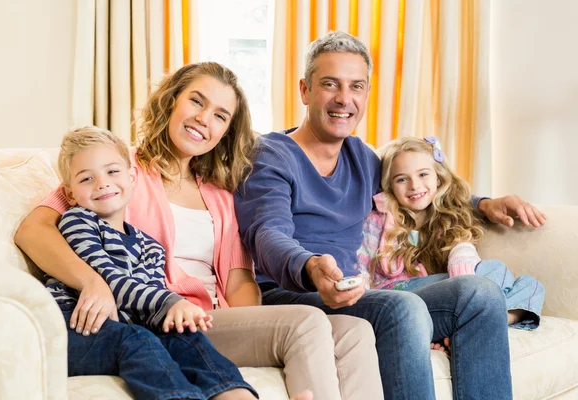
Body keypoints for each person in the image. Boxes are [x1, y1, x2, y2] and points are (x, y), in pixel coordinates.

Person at [15, 62, 378, 400]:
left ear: (226, 131)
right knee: (306, 321)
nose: (204, 119)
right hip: (165, 318)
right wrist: (92, 282)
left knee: (354, 331)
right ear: (172, 101)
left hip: (214, 320)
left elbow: (239, 281)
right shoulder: (119, 171)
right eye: (197, 102)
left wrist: (256, 326)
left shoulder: (221, 193)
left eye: (220, 115)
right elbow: (34, 229)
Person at [234, 31, 547, 400]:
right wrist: (310, 266)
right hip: (291, 295)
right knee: (403, 308)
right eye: (330, 84)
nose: (344, 99)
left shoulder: (362, 158)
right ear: (305, 90)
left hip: (354, 293)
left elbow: (413, 190)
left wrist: (482, 204)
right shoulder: (271, 155)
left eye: (356, 87)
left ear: (366, 94)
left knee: (480, 293)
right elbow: (267, 234)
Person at [47, 126, 258, 399]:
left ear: (132, 177)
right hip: (71, 327)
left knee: (186, 338)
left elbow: (146, 307)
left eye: (112, 171)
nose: (102, 183)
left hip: (120, 327)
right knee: (137, 339)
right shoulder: (77, 222)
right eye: (87, 178)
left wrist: (172, 317)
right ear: (71, 194)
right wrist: (170, 302)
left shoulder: (150, 246)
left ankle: (236, 396)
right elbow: (110, 281)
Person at [355, 136, 545, 332]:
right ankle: (477, 317)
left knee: (532, 286)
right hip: (397, 295)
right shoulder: (378, 219)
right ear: (389, 186)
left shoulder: (449, 216)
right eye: (402, 179)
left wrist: (462, 268)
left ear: (438, 178)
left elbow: (461, 247)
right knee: (492, 271)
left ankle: (497, 318)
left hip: (444, 298)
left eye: (423, 174)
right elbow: (360, 267)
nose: (414, 185)